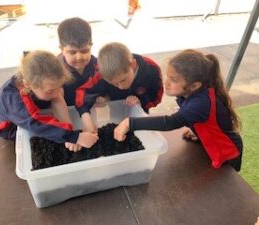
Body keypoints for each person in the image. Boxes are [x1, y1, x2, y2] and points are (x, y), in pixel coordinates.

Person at [114, 49, 243, 171]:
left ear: (194, 85)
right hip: (209, 145)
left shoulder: (200, 103)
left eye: (174, 79)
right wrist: (199, 132)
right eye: (167, 76)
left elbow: (170, 122)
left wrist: (130, 123)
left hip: (227, 152)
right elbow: (208, 121)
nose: (166, 82)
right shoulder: (188, 93)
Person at [0, 50, 98, 152]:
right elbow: (36, 124)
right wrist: (74, 137)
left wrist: (70, 131)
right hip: (13, 127)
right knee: (44, 138)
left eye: (59, 86)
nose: (57, 93)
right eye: (50, 91)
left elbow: (57, 97)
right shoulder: (15, 101)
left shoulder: (44, 83)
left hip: (37, 108)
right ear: (28, 85)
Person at [75, 42, 164, 132]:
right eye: (114, 84)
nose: (121, 87)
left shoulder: (151, 69)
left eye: (123, 80)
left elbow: (157, 96)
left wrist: (141, 101)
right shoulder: (101, 73)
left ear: (132, 64)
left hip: (138, 117)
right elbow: (82, 92)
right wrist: (85, 115)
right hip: (115, 113)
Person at [57, 17, 98, 106]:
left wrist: (103, 97)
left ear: (91, 46)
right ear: (62, 49)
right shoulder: (55, 70)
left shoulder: (98, 66)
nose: (79, 57)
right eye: (72, 52)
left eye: (85, 51)